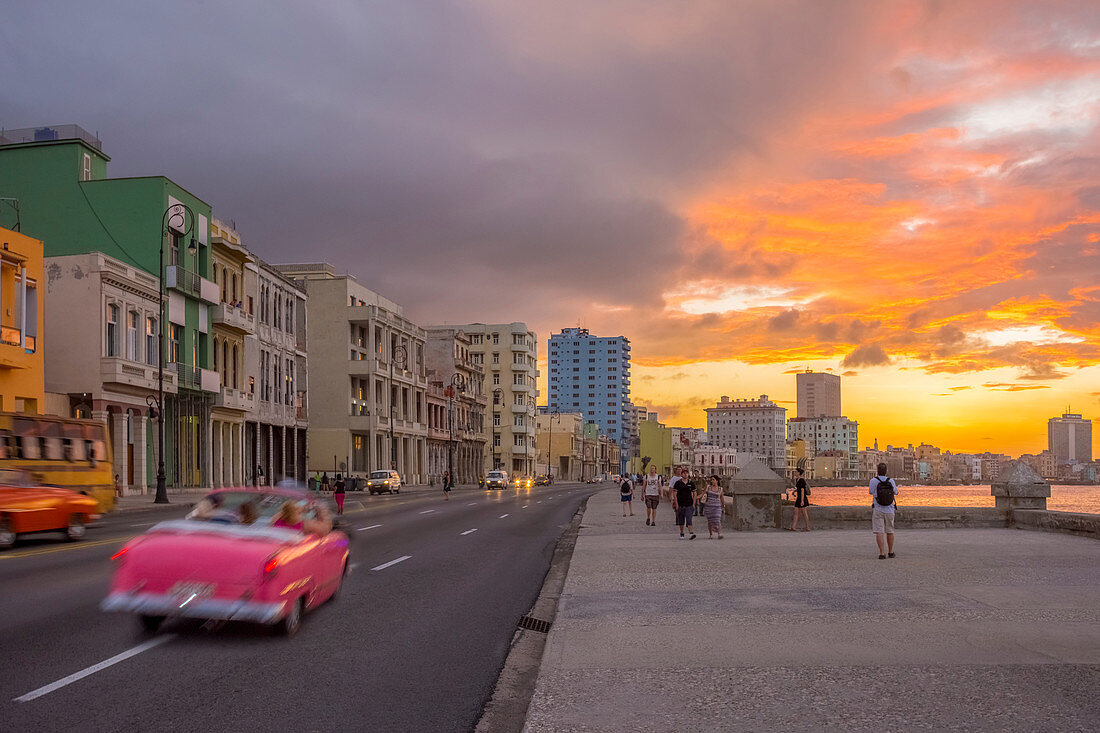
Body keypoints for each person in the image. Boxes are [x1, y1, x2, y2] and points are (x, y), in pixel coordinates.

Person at [870, 462, 898, 559]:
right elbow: (896, 492)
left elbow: (871, 492)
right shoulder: (891, 481)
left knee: (879, 531)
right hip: (889, 509)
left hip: (878, 509)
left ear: (877, 471)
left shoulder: (873, 481)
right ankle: (890, 552)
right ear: (886, 471)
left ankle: (882, 553)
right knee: (890, 530)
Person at [669, 466, 697, 540]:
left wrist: (694, 503)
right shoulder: (678, 483)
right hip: (680, 504)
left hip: (689, 504)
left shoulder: (691, 483)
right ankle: (682, 533)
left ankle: (691, 533)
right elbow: (675, 494)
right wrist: (676, 504)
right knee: (681, 520)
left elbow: (694, 493)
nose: (685, 474)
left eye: (686, 473)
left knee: (689, 519)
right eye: (684, 473)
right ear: (681, 474)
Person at [703, 475, 724, 539]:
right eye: (711, 480)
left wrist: (723, 505)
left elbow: (721, 497)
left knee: (718, 519)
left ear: (717, 481)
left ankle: (719, 533)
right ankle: (711, 534)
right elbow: (704, 494)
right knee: (710, 521)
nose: (712, 481)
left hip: (717, 506)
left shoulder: (720, 489)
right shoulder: (708, 487)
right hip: (709, 506)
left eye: (713, 480)